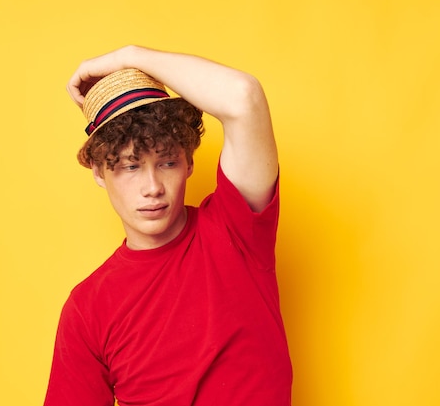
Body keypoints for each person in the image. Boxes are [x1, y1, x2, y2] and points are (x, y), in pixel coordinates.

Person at [44, 45, 292, 406]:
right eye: (130, 166)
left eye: (167, 163)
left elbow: (243, 96)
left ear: (189, 162)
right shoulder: (87, 309)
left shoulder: (235, 229)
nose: (153, 187)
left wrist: (128, 57)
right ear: (99, 172)